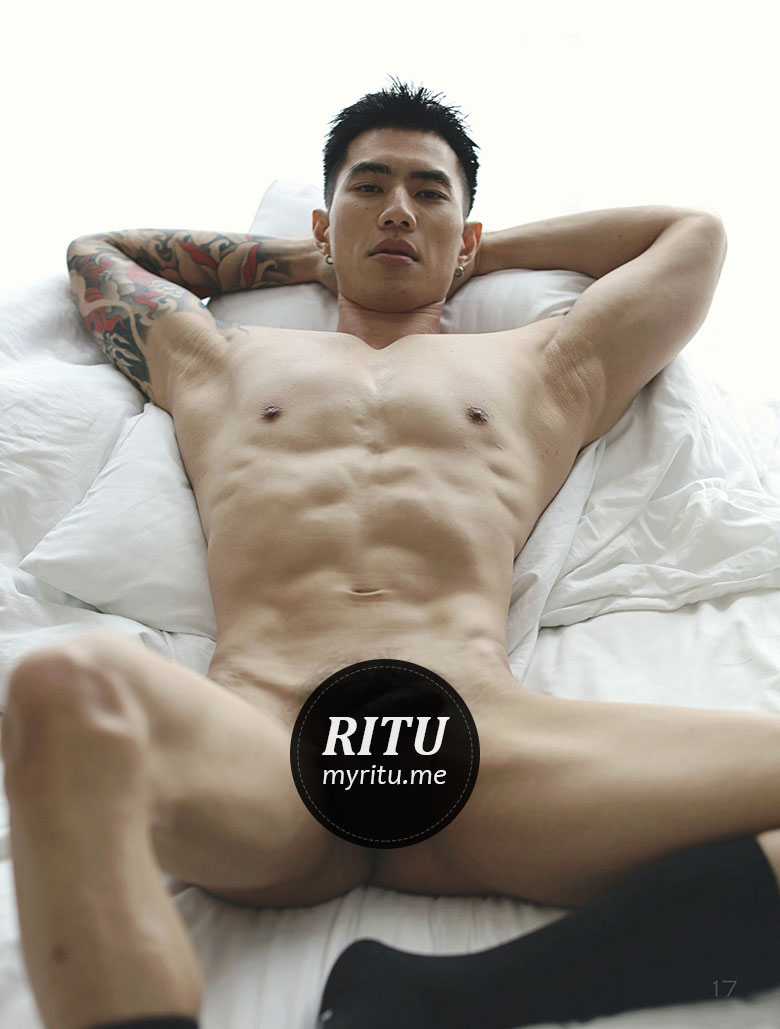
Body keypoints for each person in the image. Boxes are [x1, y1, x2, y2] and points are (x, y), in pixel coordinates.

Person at [3, 79, 780, 1029]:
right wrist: (312, 257)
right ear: (326, 223)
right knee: (62, 689)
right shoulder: (221, 358)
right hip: (268, 739)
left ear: (468, 232)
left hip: (480, 744)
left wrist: (475, 253)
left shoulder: (544, 362)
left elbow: (691, 236)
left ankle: (440, 1000)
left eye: (429, 192)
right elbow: (95, 255)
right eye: (370, 188)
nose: (400, 210)